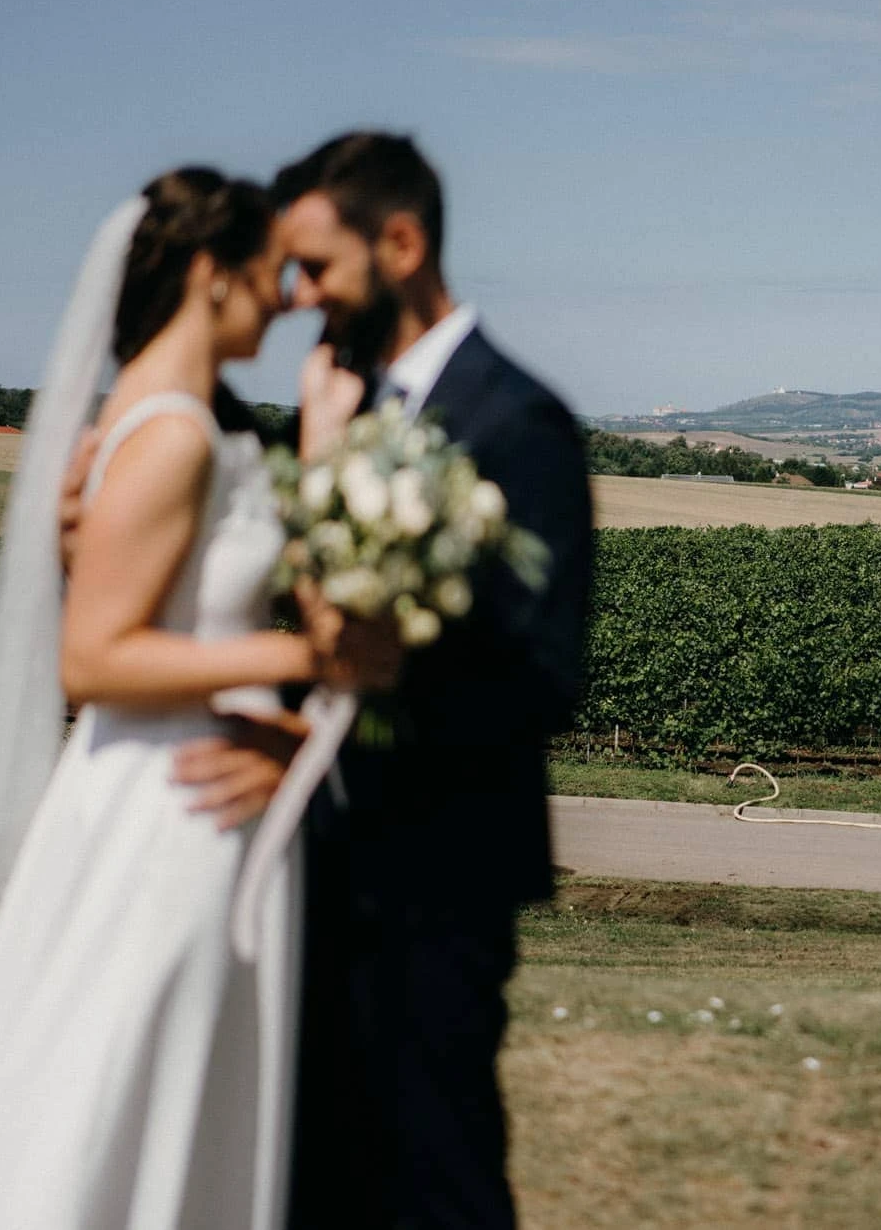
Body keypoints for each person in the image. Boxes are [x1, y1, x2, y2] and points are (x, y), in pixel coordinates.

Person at [0, 169, 349, 1227]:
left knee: (134, 1094)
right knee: (117, 1091)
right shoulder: (171, 434)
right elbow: (93, 660)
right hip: (169, 804)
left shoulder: (171, 420)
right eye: (269, 272)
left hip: (181, 785)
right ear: (209, 272)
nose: (286, 297)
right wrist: (305, 654)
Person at [260, 131, 595, 1229]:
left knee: (436, 1181)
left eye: (319, 267)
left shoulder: (521, 421)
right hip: (317, 861)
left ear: (400, 244)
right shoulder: (341, 408)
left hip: (440, 872)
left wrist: (395, 662)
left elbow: (545, 676)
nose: (301, 296)